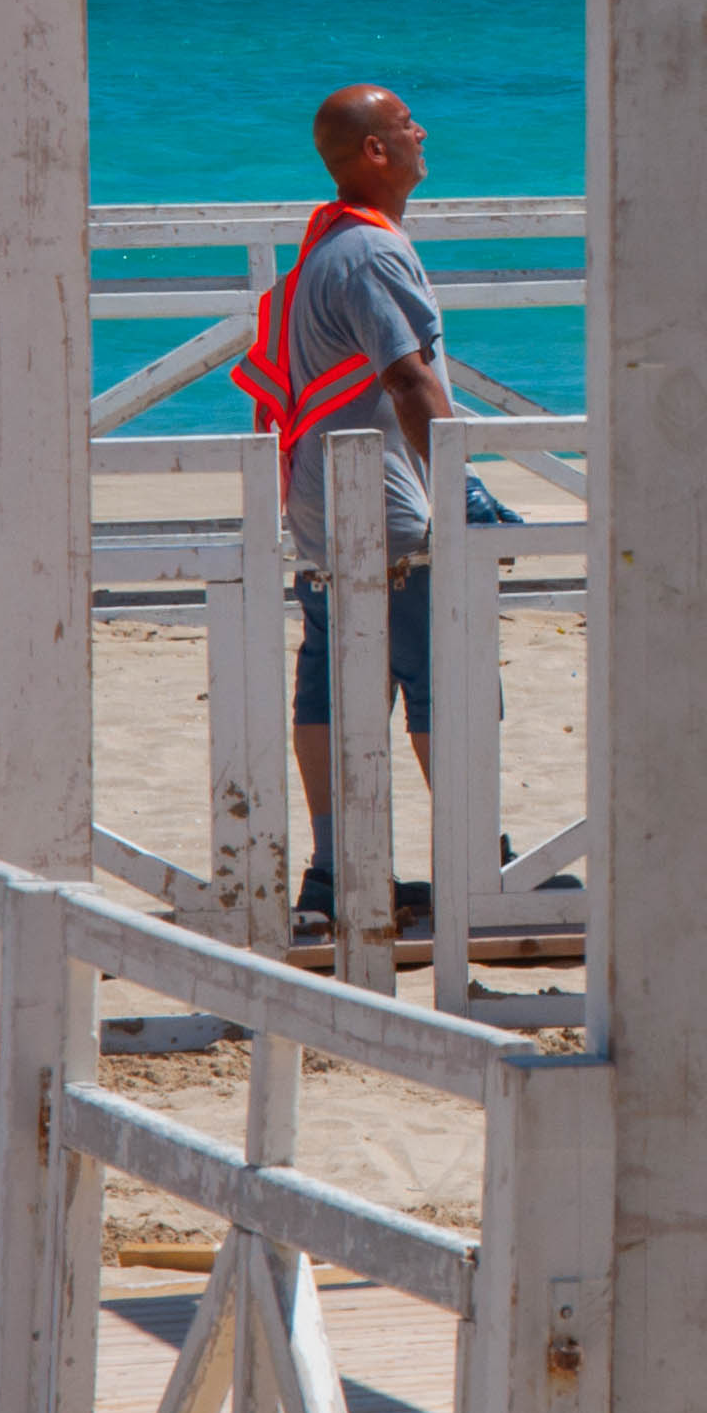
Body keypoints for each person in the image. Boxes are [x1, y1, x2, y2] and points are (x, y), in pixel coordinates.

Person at [232, 83, 451, 932]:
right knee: (441, 681)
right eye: (404, 123)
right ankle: (478, 861)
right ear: (374, 151)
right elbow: (407, 378)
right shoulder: (369, 255)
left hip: (320, 504)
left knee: (328, 681)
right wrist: (460, 487)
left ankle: (332, 873)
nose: (419, 130)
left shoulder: (329, 249)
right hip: (386, 514)